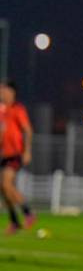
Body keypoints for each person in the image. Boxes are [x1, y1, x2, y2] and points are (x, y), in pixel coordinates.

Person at [0, 80, 34, 234]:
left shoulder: (17, 109)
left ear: (12, 93)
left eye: (4, 91)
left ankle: (28, 212)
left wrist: (27, 151)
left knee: (6, 184)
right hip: (4, 154)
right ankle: (14, 221)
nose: (2, 93)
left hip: (15, 154)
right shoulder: (2, 110)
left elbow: (27, 130)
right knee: (3, 189)